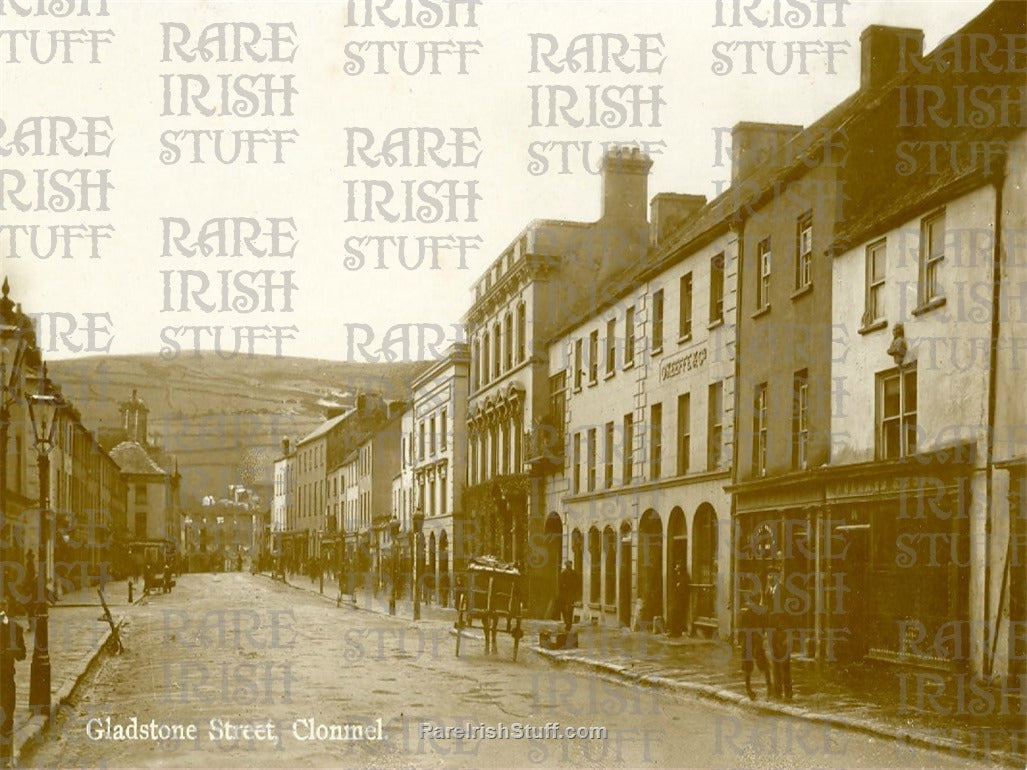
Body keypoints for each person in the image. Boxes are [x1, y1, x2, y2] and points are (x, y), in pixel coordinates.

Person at [0, 601, 26, 767]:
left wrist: (11, 651)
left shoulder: (15, 629)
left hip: (6, 679)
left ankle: (5, 758)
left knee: (7, 718)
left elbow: (22, 654)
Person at [764, 564, 793, 701]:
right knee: (774, 662)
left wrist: (788, 634)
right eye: (769, 575)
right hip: (771, 632)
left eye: (773, 575)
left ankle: (788, 694)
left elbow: (790, 614)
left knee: (784, 663)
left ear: (778, 577)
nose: (770, 577)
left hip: (782, 632)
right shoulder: (768, 592)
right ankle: (777, 692)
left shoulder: (784, 592)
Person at [738, 595, 770, 700]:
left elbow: (764, 628)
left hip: (756, 642)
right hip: (748, 642)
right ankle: (749, 689)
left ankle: (769, 687)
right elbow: (741, 630)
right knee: (748, 666)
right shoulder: (746, 614)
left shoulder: (759, 614)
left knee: (763, 664)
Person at [556, 560, 578, 632]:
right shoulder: (563, 574)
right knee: (564, 609)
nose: (569, 566)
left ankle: (569, 624)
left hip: (570, 595)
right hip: (565, 595)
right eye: (568, 565)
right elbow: (560, 584)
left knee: (569, 610)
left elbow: (578, 584)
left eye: (570, 565)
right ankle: (567, 622)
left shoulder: (574, 573)